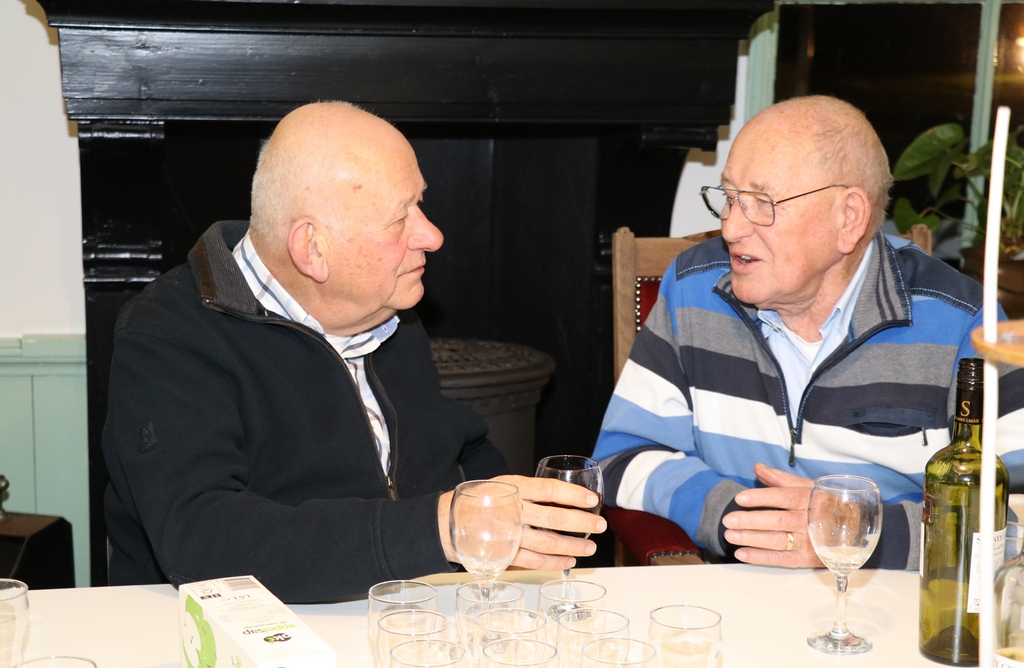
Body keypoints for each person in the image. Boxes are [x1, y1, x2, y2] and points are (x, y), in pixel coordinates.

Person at [103, 101, 605, 602]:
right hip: (240, 628)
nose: (432, 236)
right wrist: (440, 529)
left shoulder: (386, 311)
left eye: (420, 203)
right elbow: (202, 536)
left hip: (410, 607)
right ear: (312, 248)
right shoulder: (169, 335)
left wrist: (500, 514)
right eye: (399, 218)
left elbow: (456, 447)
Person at [593, 95, 1024, 570]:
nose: (731, 228)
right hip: (733, 593)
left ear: (849, 218)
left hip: (896, 600)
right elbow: (622, 457)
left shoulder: (963, 322)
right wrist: (742, 517)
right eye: (729, 197)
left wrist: (857, 531)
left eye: (762, 203)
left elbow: (1016, 515)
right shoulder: (694, 289)